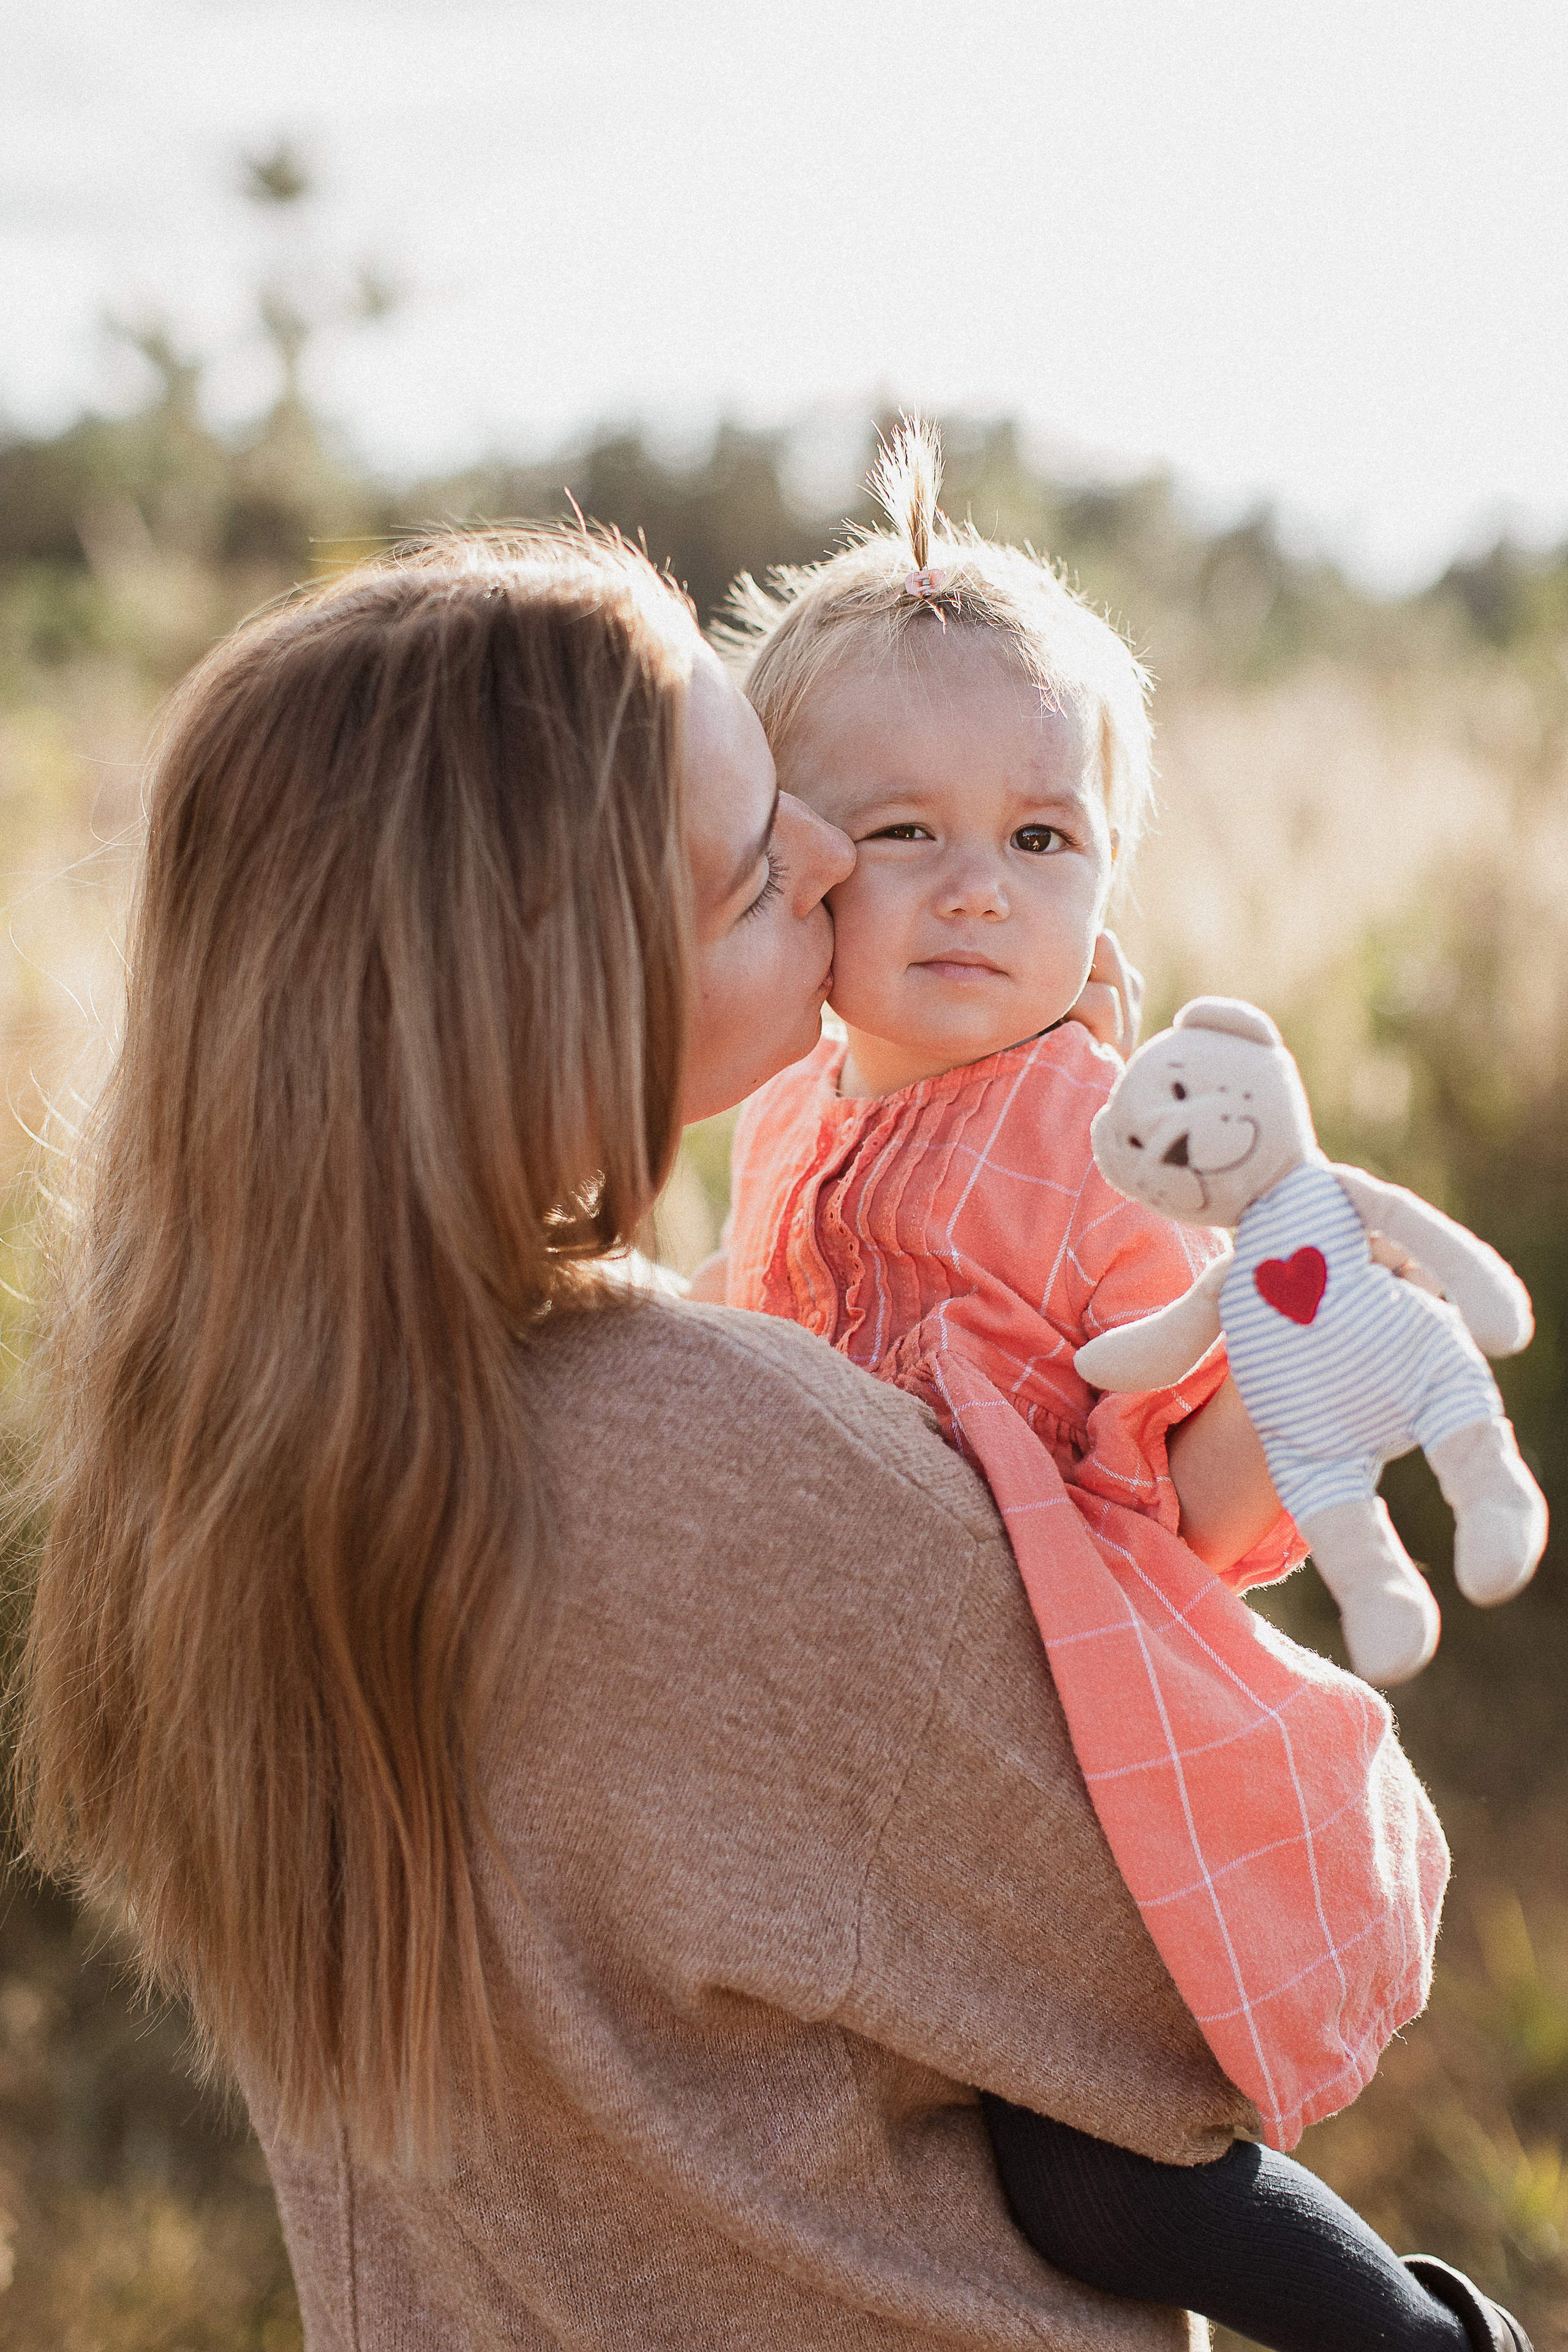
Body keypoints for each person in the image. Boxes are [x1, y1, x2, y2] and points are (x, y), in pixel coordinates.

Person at [9, 529, 1520, 2352]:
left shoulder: (241, 1442)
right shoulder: (715, 1475)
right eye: (755, 862)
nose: (835, 868)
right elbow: (1172, 2011)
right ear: (554, 979)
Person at [697, 423, 1528, 2352]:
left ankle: (1423, 2339)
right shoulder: (779, 1110)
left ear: (1107, 874)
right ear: (787, 859)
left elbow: (1206, 1506)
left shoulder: (1101, 1142)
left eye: (1039, 836)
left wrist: (1284, 1336)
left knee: (1088, 2174)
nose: (975, 888)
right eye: (901, 831)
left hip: (1059, 1750)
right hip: (856, 1747)